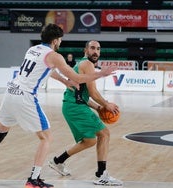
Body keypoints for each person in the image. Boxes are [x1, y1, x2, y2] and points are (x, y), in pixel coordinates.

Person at [0, 25, 117, 188]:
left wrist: (64, 81)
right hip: (25, 97)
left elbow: (47, 70)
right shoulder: (55, 56)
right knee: (46, 137)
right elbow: (77, 76)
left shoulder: (33, 49)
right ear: (55, 40)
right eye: (60, 40)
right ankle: (33, 179)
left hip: (10, 93)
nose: (60, 42)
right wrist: (101, 73)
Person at [48, 40, 123, 186]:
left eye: (98, 49)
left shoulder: (81, 64)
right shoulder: (87, 64)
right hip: (75, 107)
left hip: (73, 105)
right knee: (104, 133)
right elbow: (93, 93)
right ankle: (101, 175)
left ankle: (58, 161)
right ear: (85, 50)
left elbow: (83, 95)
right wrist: (106, 104)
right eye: (92, 48)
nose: (96, 51)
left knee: (90, 140)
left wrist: (98, 108)